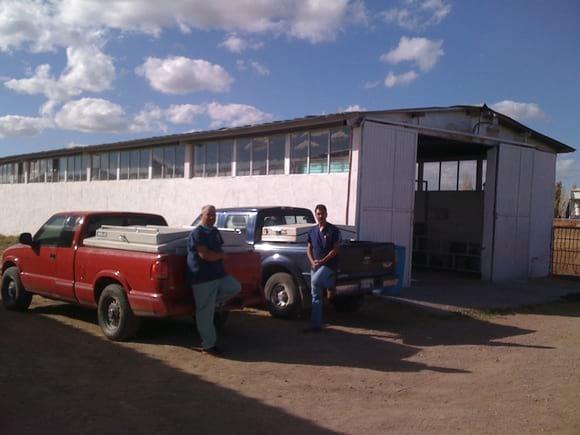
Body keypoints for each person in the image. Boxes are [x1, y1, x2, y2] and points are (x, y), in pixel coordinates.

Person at [187, 205, 241, 356]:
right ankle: (209, 346)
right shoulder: (197, 233)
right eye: (208, 214)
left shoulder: (215, 231)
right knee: (205, 313)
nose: (211, 217)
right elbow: (205, 255)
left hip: (218, 275)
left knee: (235, 287)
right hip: (202, 277)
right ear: (201, 215)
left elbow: (218, 249)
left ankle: (214, 302)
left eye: (213, 214)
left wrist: (220, 256)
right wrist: (222, 256)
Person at [304, 204, 341, 333]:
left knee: (315, 281)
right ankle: (316, 325)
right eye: (318, 214)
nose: (320, 216)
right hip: (315, 266)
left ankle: (331, 286)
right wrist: (312, 261)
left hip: (328, 266)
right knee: (316, 296)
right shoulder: (312, 231)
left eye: (322, 213)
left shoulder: (333, 230)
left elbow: (336, 249)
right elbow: (308, 248)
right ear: (315, 215)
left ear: (326, 214)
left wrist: (322, 261)